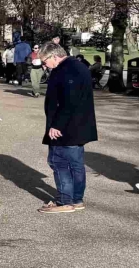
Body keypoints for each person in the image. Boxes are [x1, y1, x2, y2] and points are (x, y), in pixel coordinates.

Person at [39, 41, 96, 213]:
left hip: (66, 126)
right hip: (78, 124)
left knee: (59, 162)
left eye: (44, 61)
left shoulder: (65, 70)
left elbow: (68, 101)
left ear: (54, 56)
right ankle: (76, 199)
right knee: (76, 164)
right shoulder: (79, 66)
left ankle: (65, 201)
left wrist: (56, 125)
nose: (44, 65)